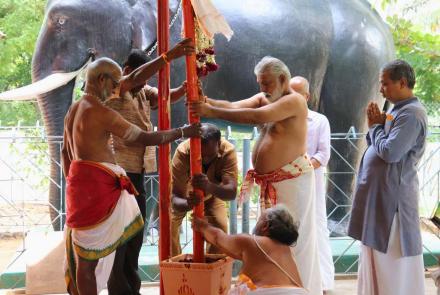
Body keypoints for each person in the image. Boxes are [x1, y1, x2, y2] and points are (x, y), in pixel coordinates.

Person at [61, 51, 201, 295]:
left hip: (83, 187)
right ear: (102, 80)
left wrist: (77, 182)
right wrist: (183, 132)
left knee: (88, 260)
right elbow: (144, 137)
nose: (117, 89)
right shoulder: (100, 111)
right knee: (97, 259)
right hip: (100, 189)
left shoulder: (74, 109)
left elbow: (64, 153)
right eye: (115, 84)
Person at [191, 56, 322, 295]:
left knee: (295, 241)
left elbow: (256, 117)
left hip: (292, 181)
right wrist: (206, 101)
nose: (263, 88)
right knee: (270, 238)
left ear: (283, 79)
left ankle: (303, 290)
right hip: (273, 181)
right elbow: (232, 106)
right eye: (260, 83)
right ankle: (272, 285)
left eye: (268, 83)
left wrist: (210, 111)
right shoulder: (264, 98)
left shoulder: (294, 101)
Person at [104, 44, 189, 295]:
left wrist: (183, 91)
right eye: (141, 77)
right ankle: (120, 290)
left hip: (139, 172)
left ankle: (132, 288)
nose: (144, 84)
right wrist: (169, 56)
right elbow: (135, 80)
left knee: (135, 236)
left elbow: (164, 96)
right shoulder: (116, 87)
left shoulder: (142, 90)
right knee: (120, 238)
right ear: (127, 69)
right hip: (119, 173)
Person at [348, 59, 427, 295]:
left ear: (402, 83)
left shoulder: (411, 114)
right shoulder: (397, 110)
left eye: (385, 84)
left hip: (393, 202)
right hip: (380, 196)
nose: (381, 89)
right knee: (376, 260)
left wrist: (374, 127)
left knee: (392, 263)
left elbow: (391, 153)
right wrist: (377, 127)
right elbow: (378, 145)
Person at [193, 204, 306, 294]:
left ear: (265, 225)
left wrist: (202, 226)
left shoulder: (252, 242)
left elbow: (218, 238)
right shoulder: (287, 250)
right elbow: (229, 249)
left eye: (258, 220)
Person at [290, 76, 335, 292]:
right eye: (289, 93)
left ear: (307, 96)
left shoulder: (319, 121)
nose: (292, 98)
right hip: (287, 187)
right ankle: (294, 280)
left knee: (316, 230)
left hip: (312, 186)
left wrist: (299, 168)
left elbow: (323, 155)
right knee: (290, 230)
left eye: (298, 94)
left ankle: (323, 283)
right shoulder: (281, 118)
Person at [171, 123, 238, 256]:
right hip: (185, 197)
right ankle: (176, 270)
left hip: (212, 193)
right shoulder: (182, 152)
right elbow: (174, 198)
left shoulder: (228, 151)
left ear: (218, 144)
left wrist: (208, 186)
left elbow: (231, 192)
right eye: (201, 157)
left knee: (221, 228)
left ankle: (209, 269)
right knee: (168, 229)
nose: (205, 160)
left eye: (210, 156)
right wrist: (188, 204)